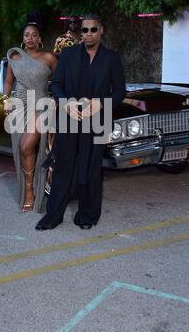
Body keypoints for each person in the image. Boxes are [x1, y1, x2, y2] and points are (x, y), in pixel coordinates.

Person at [36, 13, 126, 230]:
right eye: (84, 30)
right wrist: (66, 103)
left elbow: (120, 91)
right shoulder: (67, 55)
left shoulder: (112, 58)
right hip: (69, 118)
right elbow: (56, 85)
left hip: (97, 120)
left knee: (92, 168)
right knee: (63, 167)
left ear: (101, 30)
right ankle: (53, 216)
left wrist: (101, 104)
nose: (88, 34)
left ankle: (88, 215)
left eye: (93, 30)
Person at [2, 15, 57, 213]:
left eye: (34, 35)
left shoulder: (49, 58)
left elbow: (59, 83)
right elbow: (8, 82)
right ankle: (28, 188)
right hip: (19, 106)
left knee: (26, 145)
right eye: (27, 35)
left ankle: (30, 192)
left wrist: (56, 100)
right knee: (23, 149)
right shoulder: (14, 59)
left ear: (40, 37)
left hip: (40, 105)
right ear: (23, 38)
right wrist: (5, 98)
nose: (30, 38)